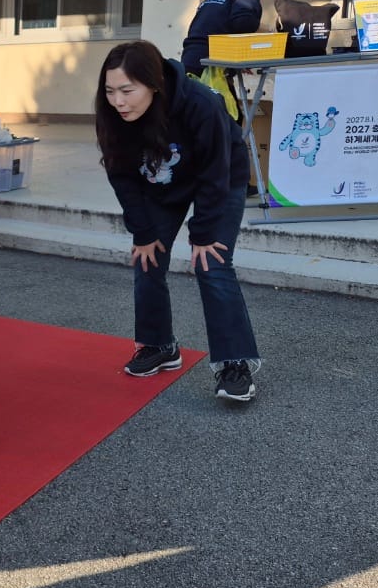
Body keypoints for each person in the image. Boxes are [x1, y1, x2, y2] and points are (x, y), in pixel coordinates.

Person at [95, 39, 261, 403]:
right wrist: (143, 230)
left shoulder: (200, 103)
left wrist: (203, 231)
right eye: (110, 91)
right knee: (147, 256)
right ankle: (158, 345)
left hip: (220, 173)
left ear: (153, 84)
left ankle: (235, 364)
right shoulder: (113, 114)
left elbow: (216, 171)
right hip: (163, 178)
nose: (118, 101)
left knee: (212, 263)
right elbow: (121, 173)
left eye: (127, 90)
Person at [180, 0, 271, 77]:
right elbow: (245, 24)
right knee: (222, 97)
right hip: (210, 64)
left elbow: (216, 25)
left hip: (191, 56)